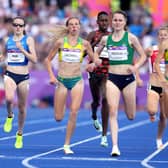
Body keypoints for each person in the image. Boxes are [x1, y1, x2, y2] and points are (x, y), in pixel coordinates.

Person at [44, 17, 100, 154]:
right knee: (58, 117)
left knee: (74, 112)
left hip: (77, 80)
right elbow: (47, 60)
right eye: (71, 24)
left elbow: (95, 60)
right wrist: (51, 76)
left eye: (76, 24)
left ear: (79, 27)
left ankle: (67, 145)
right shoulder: (60, 42)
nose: (74, 26)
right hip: (62, 80)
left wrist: (93, 64)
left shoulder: (85, 44)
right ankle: (61, 105)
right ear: (68, 27)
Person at [94, 10, 146, 156]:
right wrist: (95, 61)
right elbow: (96, 54)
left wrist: (135, 67)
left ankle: (129, 115)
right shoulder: (105, 40)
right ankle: (115, 146)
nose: (117, 22)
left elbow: (142, 56)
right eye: (115, 20)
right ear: (112, 22)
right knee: (112, 111)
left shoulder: (131, 38)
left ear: (125, 22)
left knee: (131, 116)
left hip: (128, 80)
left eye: (120, 20)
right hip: (112, 79)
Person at [1, 16, 37, 149]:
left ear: (24, 27)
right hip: (10, 74)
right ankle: (10, 115)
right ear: (12, 26)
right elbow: (4, 55)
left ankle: (20, 134)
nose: (17, 27)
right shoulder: (7, 40)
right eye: (15, 24)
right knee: (9, 99)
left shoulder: (28, 40)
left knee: (22, 108)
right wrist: (1, 57)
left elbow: (34, 59)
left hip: (23, 76)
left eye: (20, 25)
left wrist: (22, 49)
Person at [86, 11, 110, 147]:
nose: (104, 23)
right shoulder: (92, 35)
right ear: (97, 22)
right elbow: (84, 50)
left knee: (106, 98)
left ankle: (104, 136)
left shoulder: (113, 36)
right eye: (102, 20)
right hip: (94, 73)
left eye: (106, 20)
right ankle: (94, 115)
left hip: (107, 72)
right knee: (96, 100)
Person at [146, 26, 168, 149]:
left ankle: (159, 138)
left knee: (163, 116)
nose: (163, 37)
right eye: (161, 34)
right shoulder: (151, 50)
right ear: (157, 36)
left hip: (166, 87)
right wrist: (137, 74)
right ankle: (151, 113)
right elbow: (141, 60)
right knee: (152, 110)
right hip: (154, 84)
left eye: (165, 35)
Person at [154, 26, 168, 148]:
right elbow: (156, 63)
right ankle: (159, 138)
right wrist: (162, 77)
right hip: (166, 82)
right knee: (164, 114)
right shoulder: (165, 45)